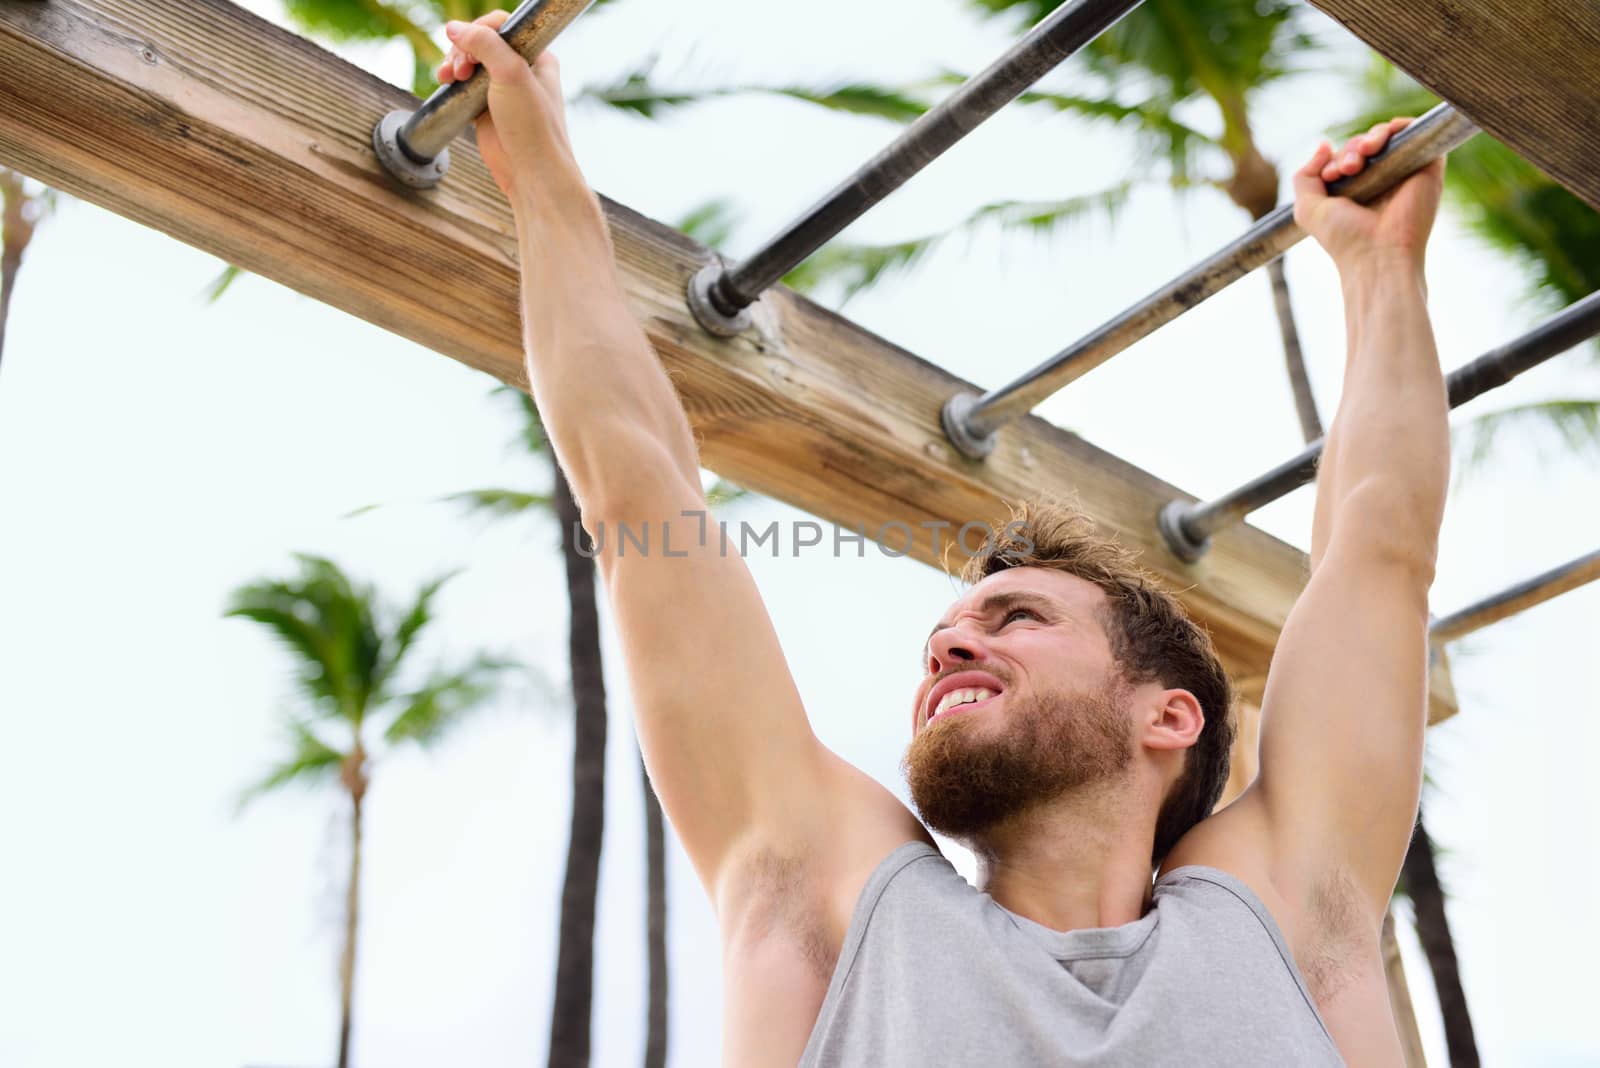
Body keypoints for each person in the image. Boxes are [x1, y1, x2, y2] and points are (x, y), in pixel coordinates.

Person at [439, 12, 1447, 1065]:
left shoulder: (1281, 915)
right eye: (952, 634)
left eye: (1014, 619)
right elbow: (637, 489)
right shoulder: (837, 904)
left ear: (1170, 715)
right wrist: (543, 171)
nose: (948, 649)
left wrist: (1380, 271)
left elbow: (1380, 551)